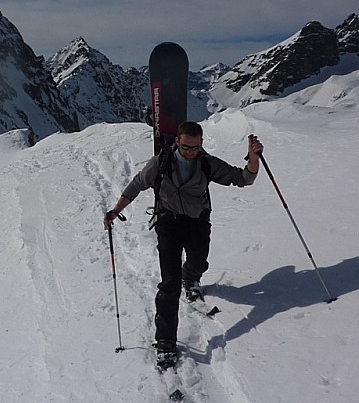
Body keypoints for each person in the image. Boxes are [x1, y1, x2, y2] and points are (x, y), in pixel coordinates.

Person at [103, 121, 263, 370]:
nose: (191, 152)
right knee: (169, 284)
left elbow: (243, 178)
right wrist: (115, 211)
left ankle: (192, 278)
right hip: (168, 224)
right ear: (177, 141)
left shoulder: (206, 162)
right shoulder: (162, 163)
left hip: (198, 222)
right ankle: (165, 342)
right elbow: (136, 185)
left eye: (196, 147)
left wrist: (253, 159)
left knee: (199, 261)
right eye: (187, 147)